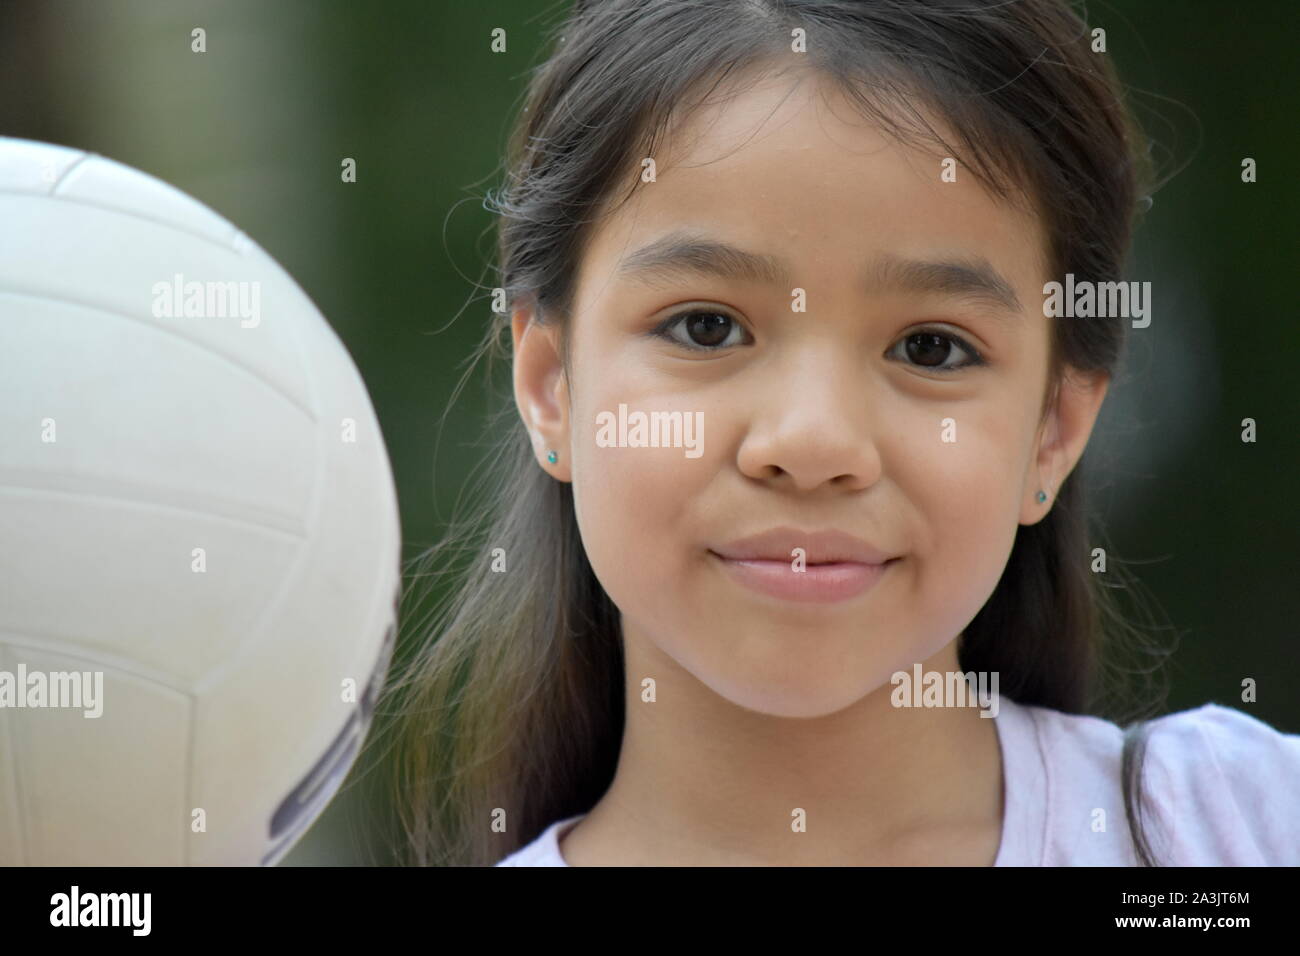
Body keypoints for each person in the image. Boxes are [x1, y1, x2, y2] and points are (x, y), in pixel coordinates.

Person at [384, 0, 1300, 866]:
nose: (814, 441)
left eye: (931, 347)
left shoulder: (1229, 830)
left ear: (1053, 431)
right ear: (550, 384)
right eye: (706, 327)